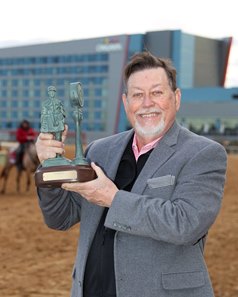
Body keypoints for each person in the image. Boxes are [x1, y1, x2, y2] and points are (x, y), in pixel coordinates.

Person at [35, 51, 227, 297]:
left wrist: (112, 198)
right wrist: (49, 167)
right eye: (138, 94)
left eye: (157, 92)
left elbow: (186, 223)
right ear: (126, 103)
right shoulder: (100, 150)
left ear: (176, 98)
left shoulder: (203, 153)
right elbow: (60, 219)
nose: (147, 103)